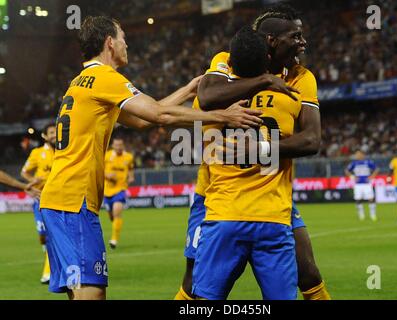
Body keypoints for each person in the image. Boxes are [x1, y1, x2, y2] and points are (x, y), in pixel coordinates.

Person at [39, 16, 262, 300]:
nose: (126, 44)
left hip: (62, 199)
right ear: (109, 42)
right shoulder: (105, 78)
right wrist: (223, 115)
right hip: (73, 201)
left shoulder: (81, 82)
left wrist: (189, 90)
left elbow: (145, 121)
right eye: (123, 37)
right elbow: (159, 114)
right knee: (91, 295)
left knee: (81, 294)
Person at [175, 4, 330, 301]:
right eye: (295, 36)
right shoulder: (226, 62)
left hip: (272, 197)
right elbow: (206, 97)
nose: (303, 43)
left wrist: (262, 148)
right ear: (271, 41)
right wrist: (264, 81)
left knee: (308, 271)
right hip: (215, 196)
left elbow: (312, 140)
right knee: (194, 280)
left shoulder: (300, 77)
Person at [192, 26, 304, 300]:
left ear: (230, 62)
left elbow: (202, 108)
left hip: (224, 215)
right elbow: (307, 141)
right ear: (268, 59)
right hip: (272, 217)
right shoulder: (285, 99)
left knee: (204, 302)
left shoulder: (207, 104)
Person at [21, 123, 56, 284]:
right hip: (40, 198)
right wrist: (33, 181)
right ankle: (45, 247)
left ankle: (47, 273)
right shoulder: (37, 153)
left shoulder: (64, 152)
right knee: (43, 235)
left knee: (50, 236)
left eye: (56, 132)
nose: (55, 135)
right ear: (44, 136)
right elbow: (24, 172)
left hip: (56, 199)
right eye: (51, 132)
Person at [103, 137, 134, 249]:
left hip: (121, 189)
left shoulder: (128, 157)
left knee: (117, 212)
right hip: (107, 191)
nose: (118, 147)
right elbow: (99, 169)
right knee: (111, 216)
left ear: (123, 145)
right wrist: (107, 175)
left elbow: (130, 169)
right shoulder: (107, 155)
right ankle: (115, 227)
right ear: (113, 145)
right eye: (116, 145)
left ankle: (114, 240)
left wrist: (131, 177)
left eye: (120, 145)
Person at [345, 150, 379, 221]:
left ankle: (373, 215)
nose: (357, 156)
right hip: (358, 185)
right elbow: (347, 171)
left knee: (371, 199)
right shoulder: (354, 163)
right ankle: (361, 215)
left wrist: (372, 176)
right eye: (356, 154)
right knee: (358, 200)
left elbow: (376, 169)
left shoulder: (368, 162)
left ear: (363, 155)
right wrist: (352, 177)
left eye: (359, 154)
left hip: (367, 184)